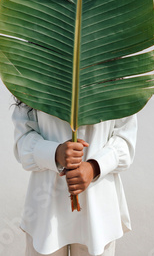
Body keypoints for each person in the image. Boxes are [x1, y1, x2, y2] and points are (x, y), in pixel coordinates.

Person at [12, 101, 138, 256]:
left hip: (97, 210)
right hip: (47, 211)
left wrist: (94, 167)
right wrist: (55, 153)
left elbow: (125, 140)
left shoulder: (116, 81)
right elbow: (22, 141)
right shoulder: (34, 77)